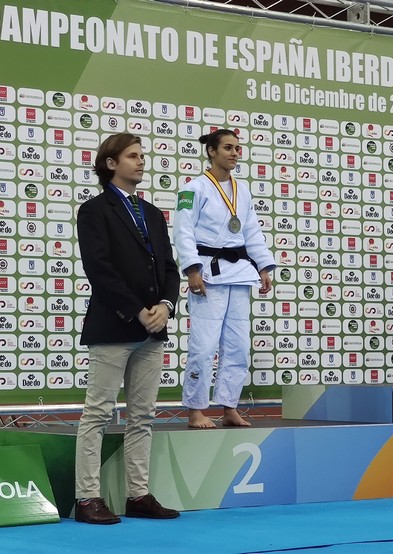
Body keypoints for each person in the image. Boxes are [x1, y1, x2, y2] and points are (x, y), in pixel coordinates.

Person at [74, 132, 181, 524]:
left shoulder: (152, 212)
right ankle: (87, 498)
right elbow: (99, 270)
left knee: (143, 416)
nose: (141, 161)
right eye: (133, 156)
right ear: (110, 163)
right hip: (114, 325)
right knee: (98, 413)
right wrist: (137, 310)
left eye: (142, 155)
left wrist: (166, 306)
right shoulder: (94, 211)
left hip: (152, 330)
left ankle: (138, 495)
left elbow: (169, 266)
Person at [174, 129, 276, 429]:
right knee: (204, 346)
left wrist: (262, 266)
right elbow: (183, 231)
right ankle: (195, 410)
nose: (234, 153)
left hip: (239, 272)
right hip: (208, 273)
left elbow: (251, 231)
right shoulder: (193, 189)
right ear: (212, 152)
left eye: (237, 148)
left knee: (238, 346)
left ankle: (229, 406)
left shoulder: (242, 190)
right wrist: (192, 269)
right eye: (228, 148)